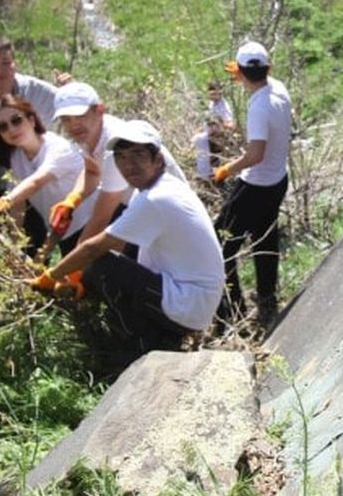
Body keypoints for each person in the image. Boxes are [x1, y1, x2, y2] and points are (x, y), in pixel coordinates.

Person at [32, 120, 225, 367]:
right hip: (190, 298)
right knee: (107, 264)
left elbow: (94, 247)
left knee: (100, 264)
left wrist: (53, 274)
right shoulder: (159, 188)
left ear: (158, 160)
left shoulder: (156, 199)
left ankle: (140, 346)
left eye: (138, 155)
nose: (128, 164)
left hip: (188, 304)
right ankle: (149, 334)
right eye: (121, 156)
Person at [47, 81, 188, 252]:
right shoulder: (88, 135)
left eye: (80, 116)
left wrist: (73, 266)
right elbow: (92, 172)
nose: (73, 125)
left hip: (170, 216)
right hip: (142, 208)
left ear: (99, 110)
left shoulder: (116, 144)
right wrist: (72, 200)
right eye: (66, 119)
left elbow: (102, 215)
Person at [212, 40, 293, 329]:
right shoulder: (279, 89)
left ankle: (231, 314)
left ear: (239, 73)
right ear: (268, 68)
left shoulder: (259, 106)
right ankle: (267, 300)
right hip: (278, 180)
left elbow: (255, 154)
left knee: (219, 247)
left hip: (256, 186)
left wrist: (225, 169)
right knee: (265, 239)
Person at [0, 34, 58, 246]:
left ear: (15, 64)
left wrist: (73, 88)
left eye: (5, 63)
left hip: (26, 182)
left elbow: (72, 105)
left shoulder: (35, 91)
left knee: (29, 246)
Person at [0, 95, 88, 257]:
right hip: (65, 234)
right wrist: (14, 247)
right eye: (3, 127)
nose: (11, 129)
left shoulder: (57, 148)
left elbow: (36, 182)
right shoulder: (17, 157)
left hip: (93, 224)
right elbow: (18, 204)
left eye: (16, 120)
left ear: (31, 120)